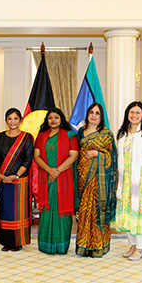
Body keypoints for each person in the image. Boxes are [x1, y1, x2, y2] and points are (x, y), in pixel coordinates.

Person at [112, 101, 142, 261]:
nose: (134, 115)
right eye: (131, 112)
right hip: (125, 179)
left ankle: (140, 248)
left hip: (140, 179)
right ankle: (132, 245)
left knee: (140, 214)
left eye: (137, 113)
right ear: (127, 114)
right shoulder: (122, 133)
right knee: (127, 212)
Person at [33, 108, 79, 255]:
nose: (53, 120)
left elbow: (73, 156)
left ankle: (61, 245)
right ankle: (46, 245)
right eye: (50, 117)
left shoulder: (71, 135)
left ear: (61, 119)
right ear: (47, 121)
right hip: (45, 177)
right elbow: (37, 156)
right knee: (47, 210)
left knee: (62, 211)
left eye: (56, 117)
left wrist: (57, 171)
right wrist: (49, 170)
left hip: (64, 178)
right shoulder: (41, 136)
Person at [76, 103, 118, 258]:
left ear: (101, 117)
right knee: (85, 211)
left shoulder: (106, 134)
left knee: (98, 210)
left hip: (99, 180)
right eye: (91, 112)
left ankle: (99, 246)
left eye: (97, 113)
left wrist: (96, 154)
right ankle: (84, 246)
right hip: (83, 176)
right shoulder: (81, 132)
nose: (94, 115)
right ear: (87, 115)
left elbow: (112, 158)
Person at [0, 108, 34, 252]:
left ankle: (18, 242)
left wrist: (16, 176)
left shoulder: (26, 137)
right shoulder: (0, 137)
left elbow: (28, 159)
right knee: (5, 212)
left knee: (18, 213)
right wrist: (0, 174)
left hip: (19, 181)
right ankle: (6, 242)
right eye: (9, 119)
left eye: (15, 118)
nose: (12, 122)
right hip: (4, 181)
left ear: (20, 120)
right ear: (6, 121)